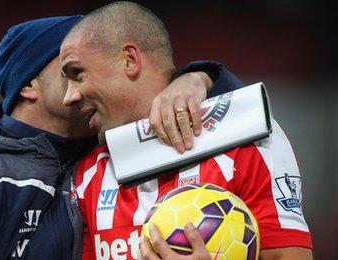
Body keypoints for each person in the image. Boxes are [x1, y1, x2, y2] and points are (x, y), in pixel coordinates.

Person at [0, 15, 227, 259]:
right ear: (29, 86)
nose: (88, 79)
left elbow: (240, 118)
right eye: (71, 69)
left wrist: (201, 77)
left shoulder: (103, 152)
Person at [60, 2, 313, 260]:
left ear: (129, 59)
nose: (69, 97)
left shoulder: (247, 142)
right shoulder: (86, 176)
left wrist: (203, 75)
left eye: (77, 73)